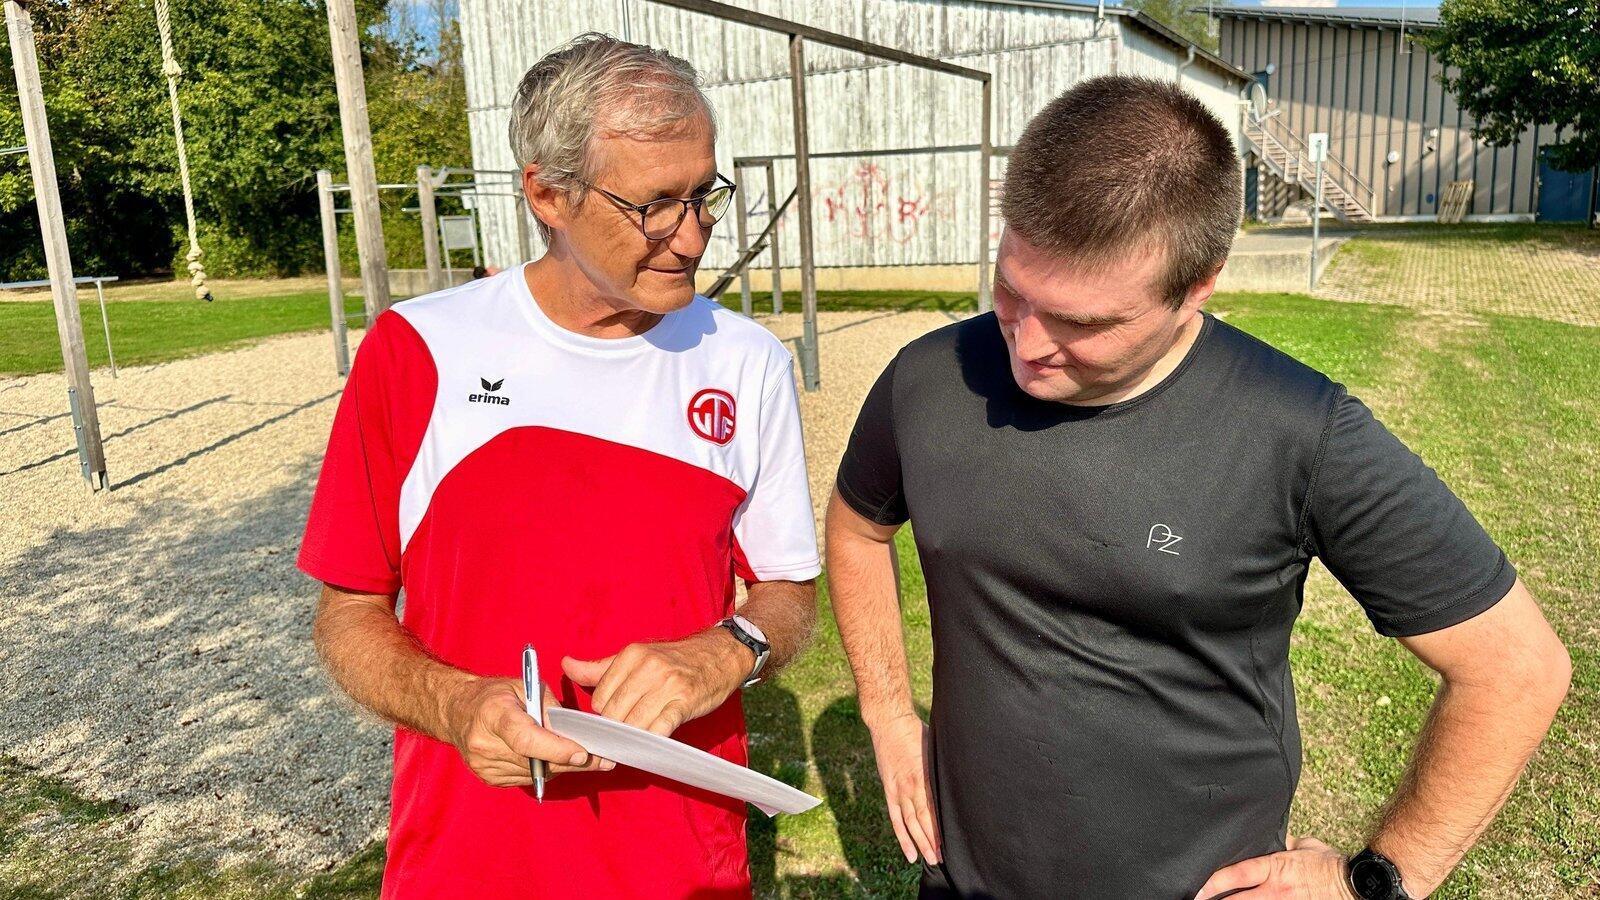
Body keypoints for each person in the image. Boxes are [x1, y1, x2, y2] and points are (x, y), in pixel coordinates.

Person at [826, 75, 1570, 899]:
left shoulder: (1299, 431)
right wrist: (887, 713)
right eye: (1011, 290)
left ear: (1199, 285)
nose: (1027, 345)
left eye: (1083, 322)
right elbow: (857, 528)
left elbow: (1516, 669)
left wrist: (1377, 882)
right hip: (966, 883)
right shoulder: (929, 380)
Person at [300, 34, 820, 899]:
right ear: (547, 194)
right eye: (654, 205)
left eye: (704, 195)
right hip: (467, 862)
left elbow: (789, 594)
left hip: (682, 865)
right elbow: (347, 615)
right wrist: (457, 706)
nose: (692, 236)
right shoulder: (417, 349)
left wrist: (727, 652)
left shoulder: (747, 362)